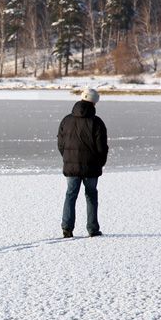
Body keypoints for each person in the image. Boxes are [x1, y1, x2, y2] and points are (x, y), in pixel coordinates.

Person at [57, 88, 109, 238]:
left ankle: (67, 228)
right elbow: (102, 147)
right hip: (91, 166)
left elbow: (61, 143)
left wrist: (67, 158)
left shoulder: (66, 120)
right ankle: (92, 229)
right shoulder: (97, 122)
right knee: (91, 195)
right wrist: (100, 163)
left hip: (71, 165)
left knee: (70, 195)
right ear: (94, 103)